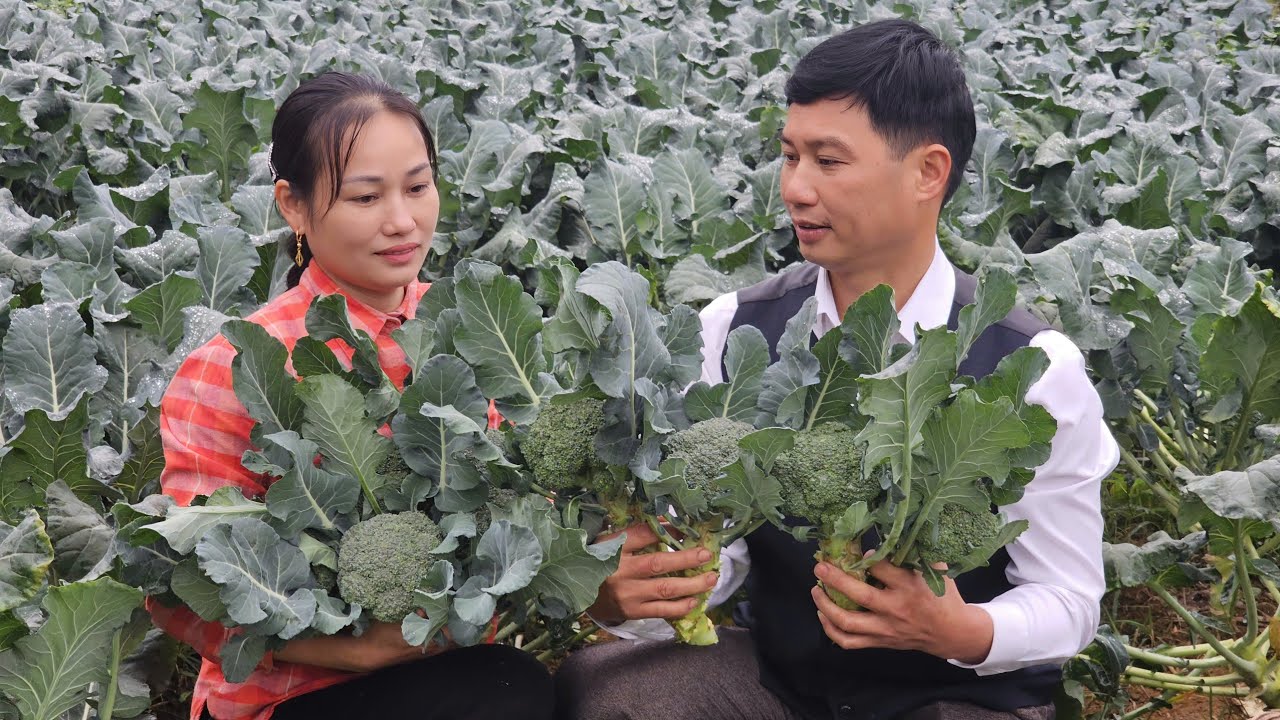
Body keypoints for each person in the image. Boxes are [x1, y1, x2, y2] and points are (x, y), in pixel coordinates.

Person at [556, 18, 1120, 720]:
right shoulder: (731, 330)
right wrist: (634, 592)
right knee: (622, 695)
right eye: (789, 156)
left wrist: (958, 629)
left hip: (959, 698)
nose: (795, 188)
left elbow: (1068, 600)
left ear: (928, 172)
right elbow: (718, 556)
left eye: (829, 161)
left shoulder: (1033, 368)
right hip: (783, 686)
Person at [150, 72, 553, 720]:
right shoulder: (234, 368)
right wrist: (354, 648)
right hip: (291, 700)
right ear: (293, 206)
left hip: (455, 676)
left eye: (418, 188)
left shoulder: (472, 329)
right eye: (366, 197)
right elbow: (177, 590)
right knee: (509, 689)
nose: (402, 221)